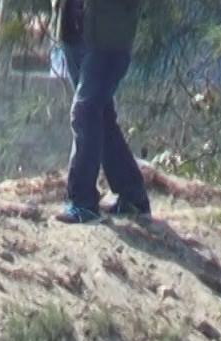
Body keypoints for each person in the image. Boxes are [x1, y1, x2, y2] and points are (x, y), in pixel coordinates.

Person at [55, 0, 151, 225]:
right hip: (72, 31)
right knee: (100, 116)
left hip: (109, 38)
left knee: (85, 111)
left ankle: (83, 202)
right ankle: (133, 195)